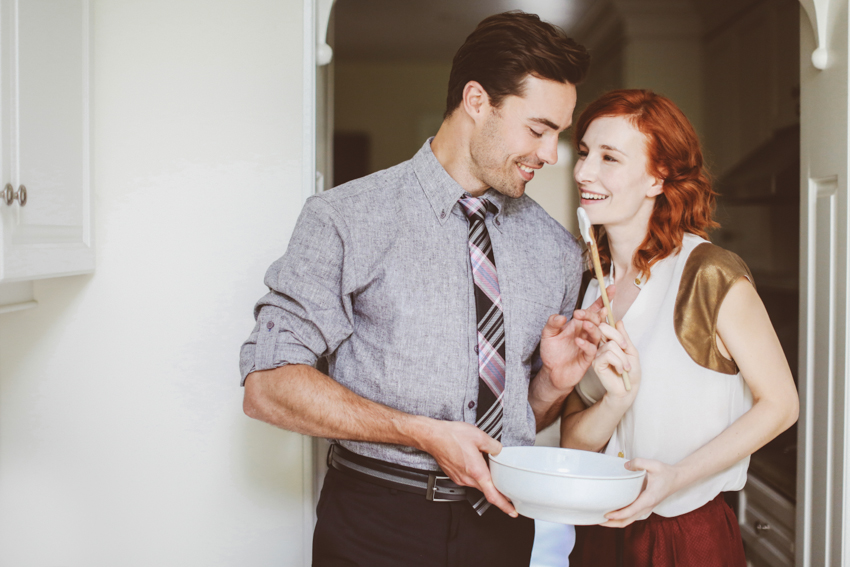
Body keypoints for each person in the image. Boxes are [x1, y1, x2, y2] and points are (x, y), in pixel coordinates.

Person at [240, 12, 601, 567]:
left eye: (559, 133)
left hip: (502, 528)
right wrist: (419, 433)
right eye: (538, 129)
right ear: (476, 101)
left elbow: (525, 419)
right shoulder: (345, 218)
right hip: (374, 523)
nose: (553, 154)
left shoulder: (558, 252)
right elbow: (268, 386)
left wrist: (551, 385)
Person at [561, 89, 800, 566]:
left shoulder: (708, 273)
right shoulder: (591, 289)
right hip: (599, 533)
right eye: (585, 153)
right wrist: (616, 402)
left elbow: (781, 405)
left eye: (610, 157)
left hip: (685, 536)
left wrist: (674, 478)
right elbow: (572, 440)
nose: (584, 172)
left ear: (658, 177)